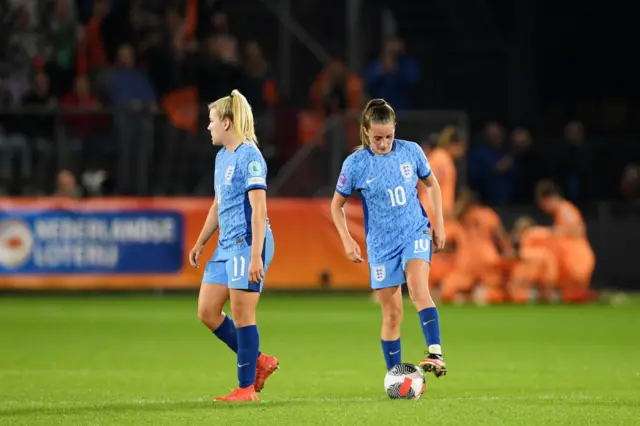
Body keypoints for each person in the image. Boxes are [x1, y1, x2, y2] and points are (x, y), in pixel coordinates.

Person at [330, 98, 448, 378]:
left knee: (419, 289)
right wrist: (347, 239)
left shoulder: (411, 152)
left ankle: (435, 353)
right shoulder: (355, 164)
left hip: (414, 231)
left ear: (396, 129)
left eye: (389, 136)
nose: (384, 143)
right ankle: (396, 377)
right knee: (392, 314)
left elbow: (432, 184)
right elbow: (336, 205)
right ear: (366, 131)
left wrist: (439, 224)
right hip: (381, 246)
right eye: (377, 138)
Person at [189, 89, 278, 402]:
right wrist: (201, 241)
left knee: (242, 316)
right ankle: (259, 361)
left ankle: (246, 389)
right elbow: (218, 204)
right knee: (207, 311)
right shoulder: (221, 157)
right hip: (225, 244)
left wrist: (256, 255)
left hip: (248, 244)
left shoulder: (250, 157)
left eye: (211, 121)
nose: (208, 127)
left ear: (227, 122)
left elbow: (259, 208)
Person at [535, 180, 595, 303]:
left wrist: (554, 232)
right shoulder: (561, 212)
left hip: (577, 259)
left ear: (549, 199)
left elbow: (577, 230)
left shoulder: (565, 209)